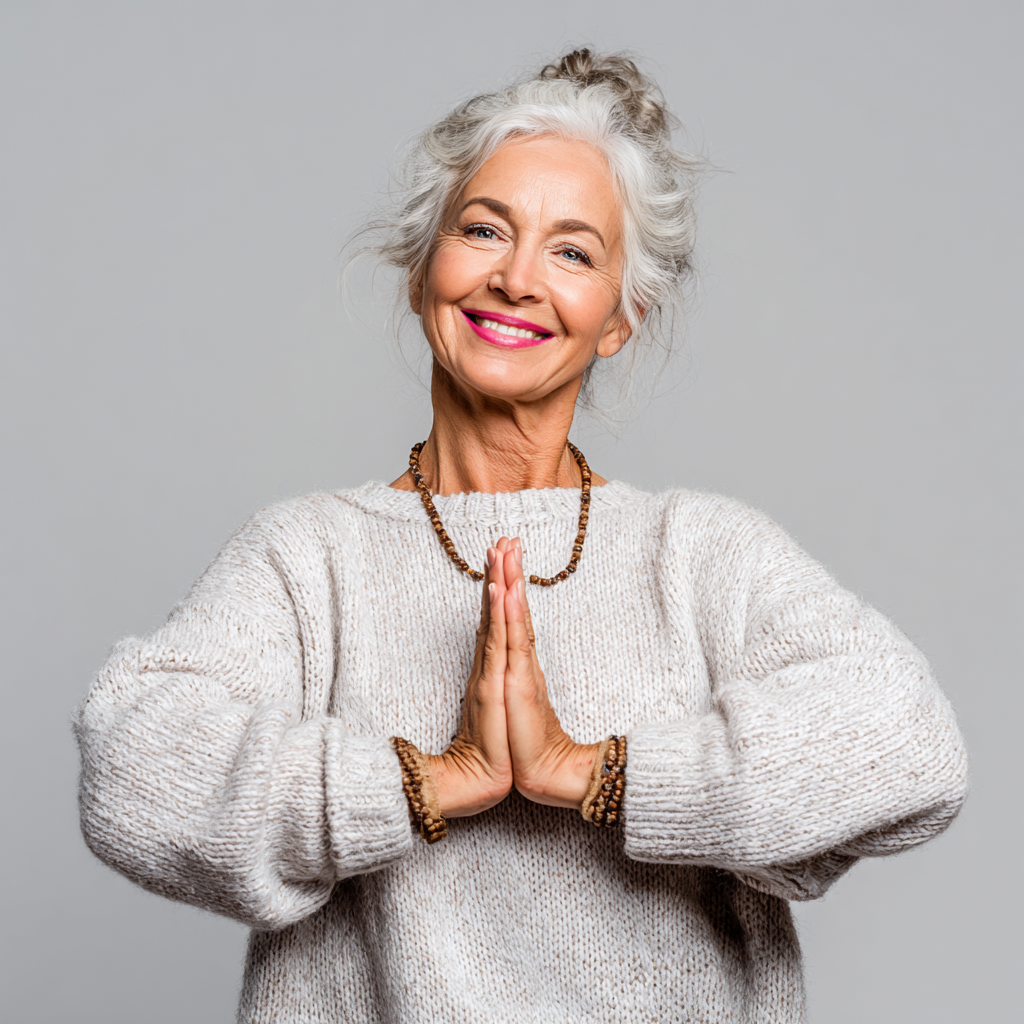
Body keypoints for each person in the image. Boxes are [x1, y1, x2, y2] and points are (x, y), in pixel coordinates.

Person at [74, 49, 968, 1023]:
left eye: (573, 252)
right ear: (420, 269)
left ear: (620, 318)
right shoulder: (306, 557)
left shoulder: (699, 551)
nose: (515, 278)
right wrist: (419, 782)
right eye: (483, 229)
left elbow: (907, 739)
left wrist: (595, 772)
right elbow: (131, 769)